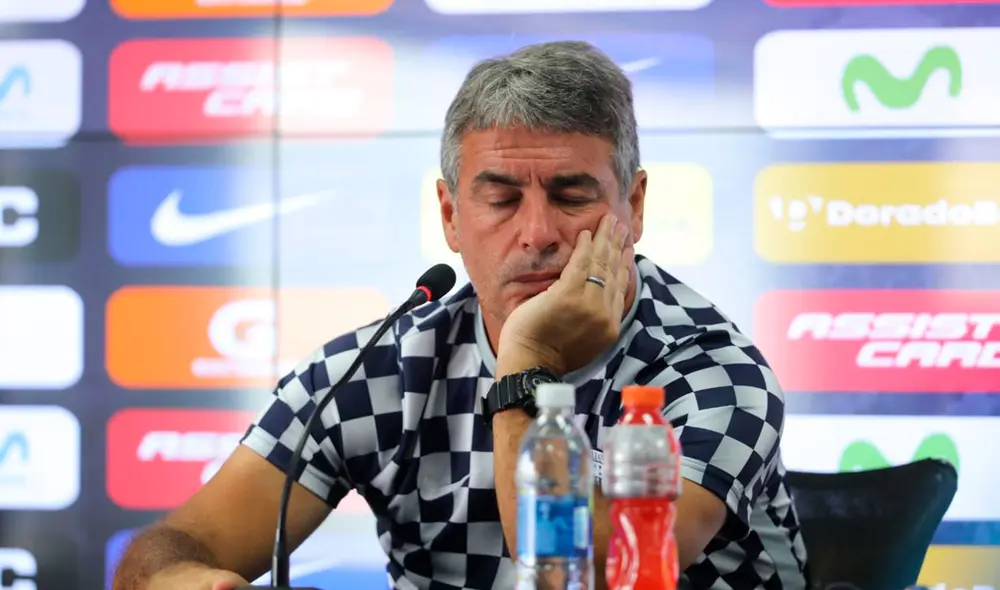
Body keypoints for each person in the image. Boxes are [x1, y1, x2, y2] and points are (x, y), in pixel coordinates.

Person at [112, 40, 808, 590]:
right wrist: (184, 577)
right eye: (501, 198)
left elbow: (584, 575)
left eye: (571, 196)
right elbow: (174, 544)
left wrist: (526, 366)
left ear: (635, 207)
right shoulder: (380, 370)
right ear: (450, 215)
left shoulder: (713, 371)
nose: (536, 233)